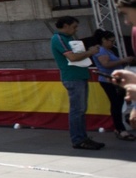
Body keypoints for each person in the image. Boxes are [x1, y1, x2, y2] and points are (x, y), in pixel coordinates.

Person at [50, 16, 102, 150]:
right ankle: (78, 139)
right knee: (77, 110)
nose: (75, 29)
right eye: (74, 27)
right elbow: (72, 57)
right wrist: (90, 52)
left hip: (79, 75)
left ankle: (82, 137)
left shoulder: (69, 38)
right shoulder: (58, 38)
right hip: (72, 77)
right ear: (65, 26)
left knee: (81, 109)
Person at [87, 29, 133, 141]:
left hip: (115, 80)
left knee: (119, 103)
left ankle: (120, 127)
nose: (113, 43)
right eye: (111, 41)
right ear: (104, 40)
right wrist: (122, 61)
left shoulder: (108, 50)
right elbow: (106, 64)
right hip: (108, 80)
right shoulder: (101, 51)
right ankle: (120, 129)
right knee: (116, 104)